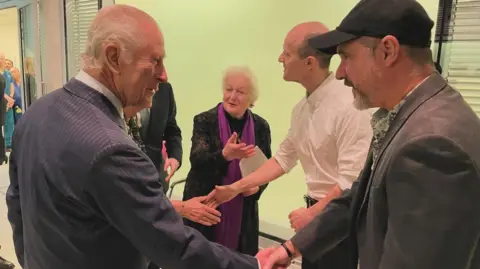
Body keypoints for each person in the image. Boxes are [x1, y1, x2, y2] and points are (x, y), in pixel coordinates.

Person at [6, 5, 269, 269]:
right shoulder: (111, 148)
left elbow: (17, 210)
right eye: (155, 60)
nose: (164, 74)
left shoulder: (36, 113)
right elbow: (174, 247)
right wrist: (256, 265)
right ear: (113, 57)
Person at [256, 0, 480, 269]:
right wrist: (291, 247)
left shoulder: (431, 145)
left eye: (347, 57)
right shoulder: (403, 116)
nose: (339, 73)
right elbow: (358, 196)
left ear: (388, 51)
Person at [207, 22, 372, 269]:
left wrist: (313, 214)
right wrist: (234, 189)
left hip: (340, 222)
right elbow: (283, 159)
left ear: (309, 63)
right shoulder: (301, 110)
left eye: (287, 52)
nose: (280, 58)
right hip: (315, 218)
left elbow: (351, 181)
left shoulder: (350, 106)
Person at [183, 66, 272, 256]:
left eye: (240, 92)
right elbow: (197, 161)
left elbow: (267, 169)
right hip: (206, 207)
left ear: (251, 98)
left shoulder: (261, 126)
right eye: (229, 89)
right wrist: (225, 155)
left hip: (243, 215)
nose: (232, 96)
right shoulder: (205, 120)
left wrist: (256, 188)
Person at [124, 68, 182, 192]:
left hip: (156, 175)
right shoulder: (121, 91)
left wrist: (174, 156)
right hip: (126, 177)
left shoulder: (165, 89)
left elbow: (171, 128)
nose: (164, 75)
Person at [0, 53, 14, 152]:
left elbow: (11, 86)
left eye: (3, 58)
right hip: (2, 101)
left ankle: (9, 144)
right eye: (1, 58)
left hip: (9, 102)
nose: (3, 60)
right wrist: (7, 99)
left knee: (10, 122)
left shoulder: (8, 73)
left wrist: (11, 98)